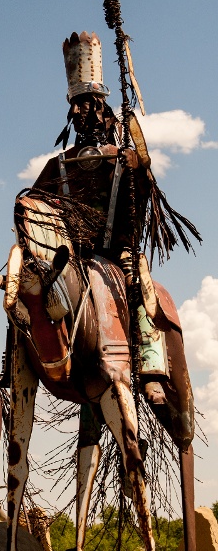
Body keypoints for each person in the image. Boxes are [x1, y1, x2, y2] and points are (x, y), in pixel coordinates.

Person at [22, 31, 174, 404]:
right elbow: (39, 207)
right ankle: (21, 366)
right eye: (74, 104)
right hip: (72, 259)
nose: (77, 112)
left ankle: (151, 366)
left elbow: (144, 202)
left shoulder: (125, 153)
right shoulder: (57, 166)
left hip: (116, 251)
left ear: (101, 103)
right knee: (23, 290)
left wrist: (138, 167)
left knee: (139, 283)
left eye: (85, 103)